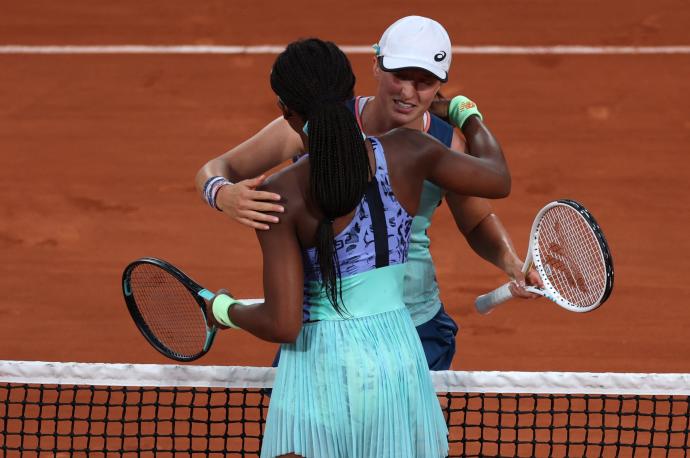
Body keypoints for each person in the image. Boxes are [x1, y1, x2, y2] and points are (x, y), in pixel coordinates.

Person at [203, 38, 510, 458]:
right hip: (399, 356)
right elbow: (497, 177)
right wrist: (466, 114)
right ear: (353, 92)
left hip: (318, 364)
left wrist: (222, 308)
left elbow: (283, 324)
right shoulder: (413, 150)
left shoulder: (279, 196)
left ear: (286, 111)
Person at [196, 16, 540, 371]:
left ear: (439, 84)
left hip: (413, 324)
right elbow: (216, 168)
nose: (408, 92)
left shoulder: (443, 142)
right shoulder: (321, 120)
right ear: (375, 65)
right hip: (323, 323)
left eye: (425, 82)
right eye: (400, 76)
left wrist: (510, 261)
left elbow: (477, 219)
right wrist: (221, 192)